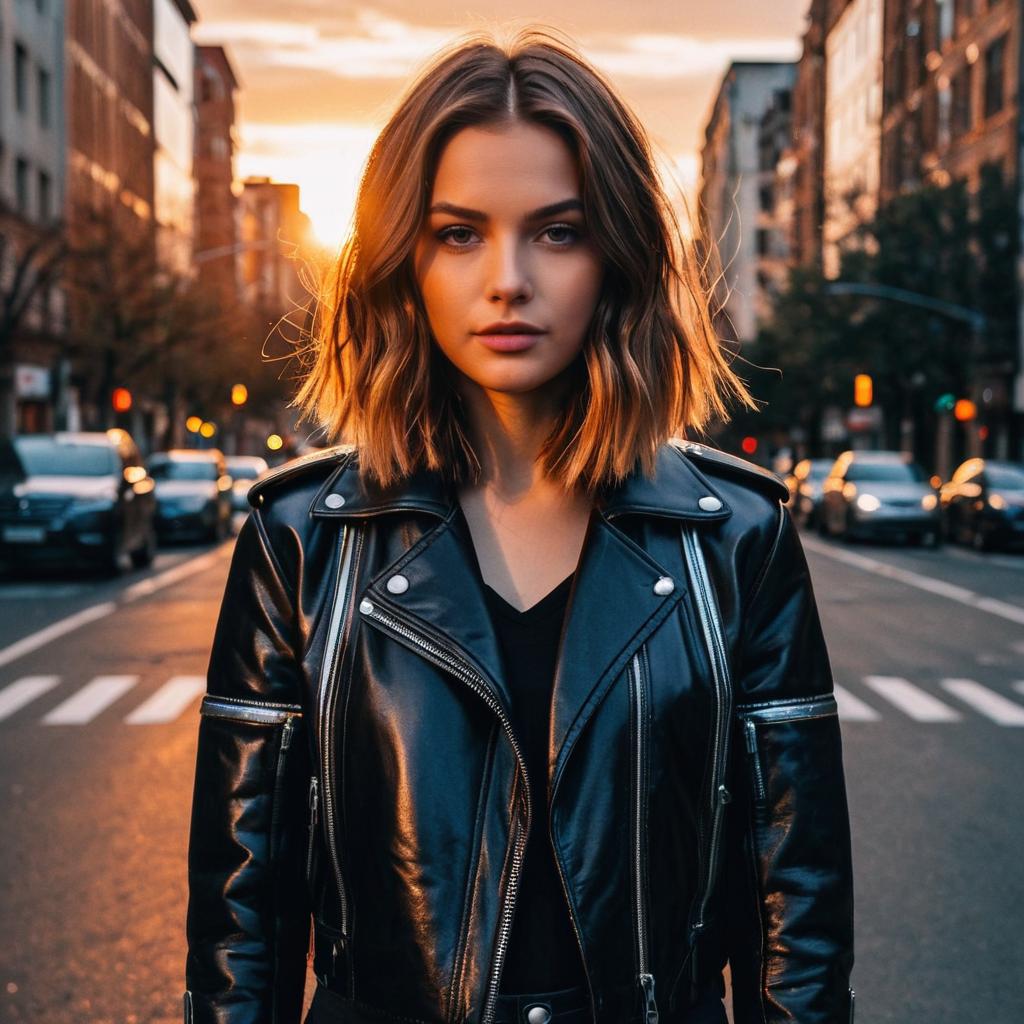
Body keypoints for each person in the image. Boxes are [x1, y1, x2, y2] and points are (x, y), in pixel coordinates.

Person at [183, 27, 855, 1024]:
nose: (508, 278)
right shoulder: (300, 540)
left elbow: (795, 914)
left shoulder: (736, 540)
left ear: (617, 254)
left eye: (558, 230)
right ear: (402, 258)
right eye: (459, 232)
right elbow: (244, 921)